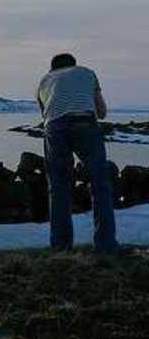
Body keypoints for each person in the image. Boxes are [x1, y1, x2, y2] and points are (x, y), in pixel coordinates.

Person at [36, 53, 118, 255]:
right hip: (85, 123)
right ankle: (105, 246)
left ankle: (61, 247)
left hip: (55, 128)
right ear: (74, 65)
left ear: (52, 69)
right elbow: (101, 112)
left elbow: (46, 115)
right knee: (100, 185)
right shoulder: (86, 73)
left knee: (58, 187)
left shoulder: (44, 81)